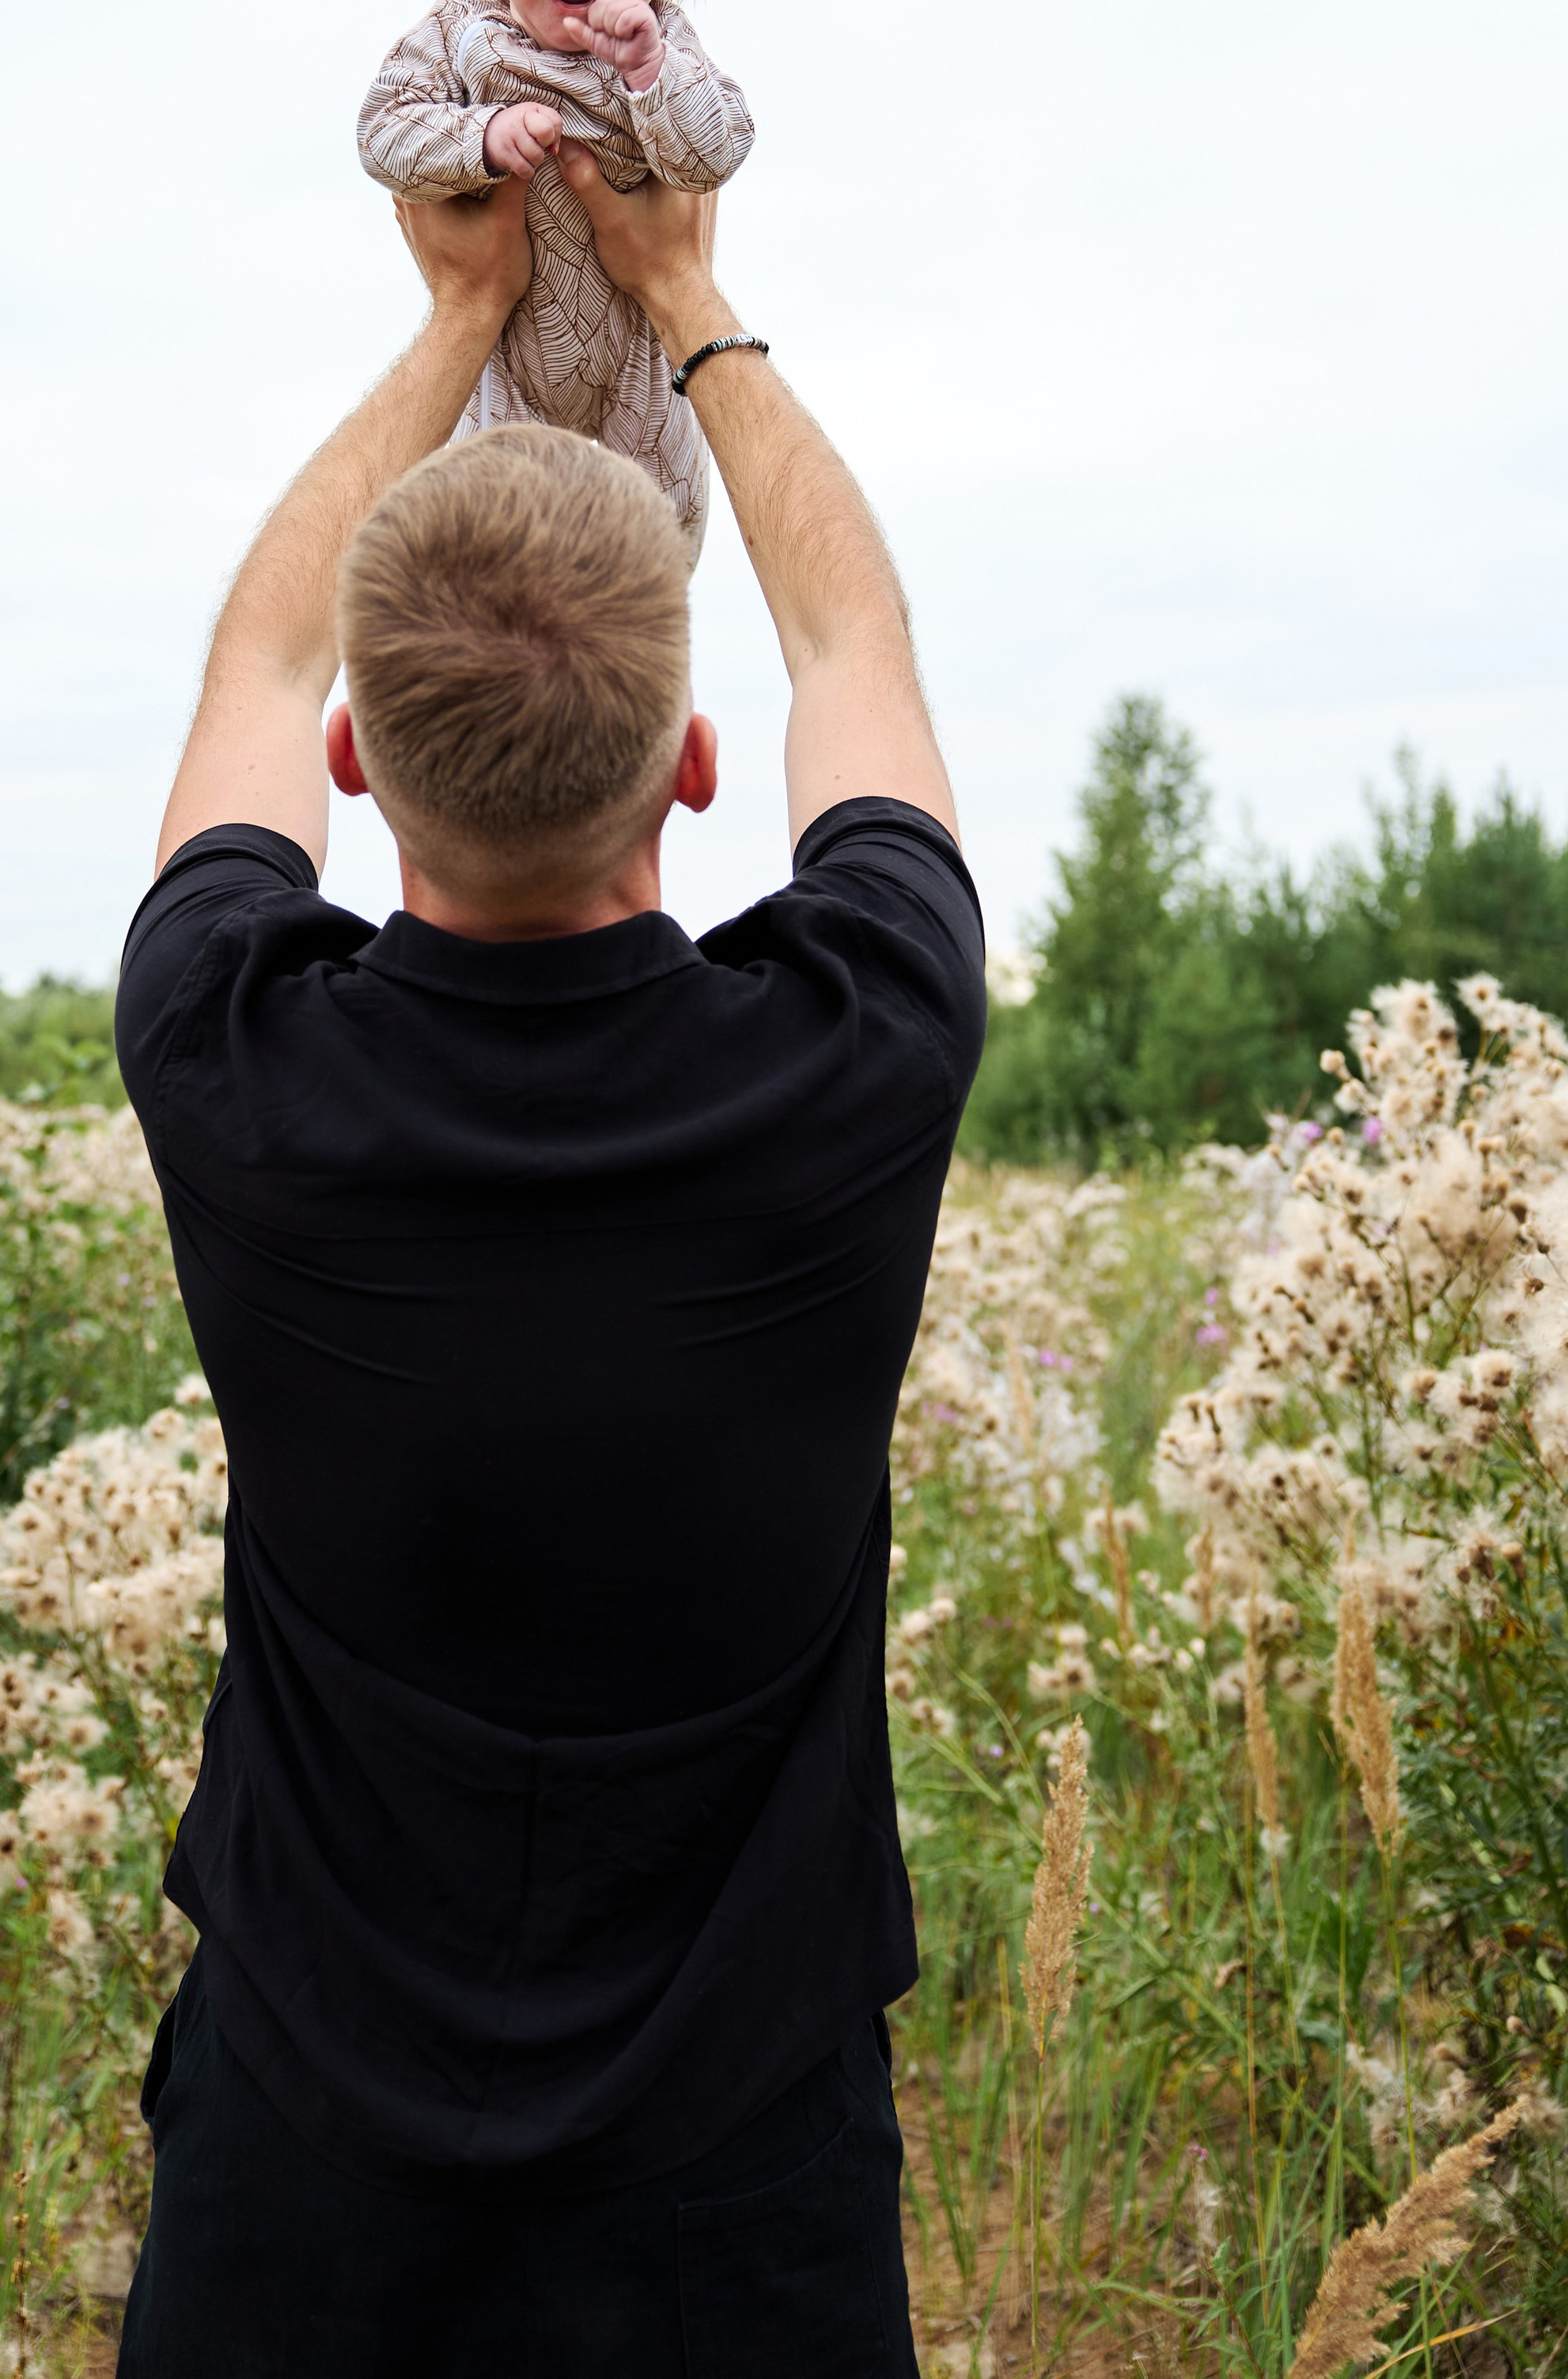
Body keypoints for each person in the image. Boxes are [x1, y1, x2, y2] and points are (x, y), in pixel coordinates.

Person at [114, 155, 986, 2377]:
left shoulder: (233, 1056)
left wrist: (449, 323)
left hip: (295, 2182)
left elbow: (256, 649)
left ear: (355, 774)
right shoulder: (853, 1059)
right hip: (744, 2199)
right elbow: (855, 648)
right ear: (696, 770)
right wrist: (689, 293)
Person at [356, 0, 754, 544]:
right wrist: (482, 136)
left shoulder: (662, 49)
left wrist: (648, 73)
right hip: (500, 388)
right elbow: (383, 131)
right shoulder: (460, 38)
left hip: (637, 403)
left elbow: (717, 150)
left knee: (634, 593)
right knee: (480, 563)